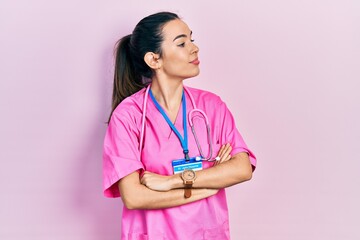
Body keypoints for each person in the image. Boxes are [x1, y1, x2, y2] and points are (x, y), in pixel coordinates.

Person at [103, 11, 257, 240]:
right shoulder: (128, 116)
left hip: (206, 233)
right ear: (154, 59)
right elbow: (134, 197)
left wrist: (170, 182)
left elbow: (242, 169)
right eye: (182, 43)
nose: (195, 49)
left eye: (192, 40)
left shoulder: (211, 106)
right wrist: (208, 186)